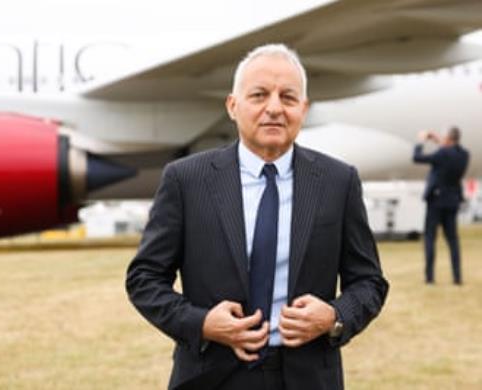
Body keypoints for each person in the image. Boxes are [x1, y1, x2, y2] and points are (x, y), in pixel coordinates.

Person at [125, 44, 388, 390]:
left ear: (304, 109)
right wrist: (202, 323)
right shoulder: (186, 180)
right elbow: (144, 278)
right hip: (210, 376)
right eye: (260, 95)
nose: (275, 108)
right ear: (233, 106)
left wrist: (334, 317)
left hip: (308, 379)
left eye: (288, 97)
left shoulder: (339, 182)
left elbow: (369, 283)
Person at [413, 128, 469, 285]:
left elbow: (417, 157)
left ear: (449, 139)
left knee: (430, 238)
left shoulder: (442, 154)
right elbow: (449, 150)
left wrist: (422, 141)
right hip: (453, 201)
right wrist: (437, 139)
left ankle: (430, 278)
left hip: (436, 201)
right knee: (453, 240)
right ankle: (457, 278)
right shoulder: (463, 155)